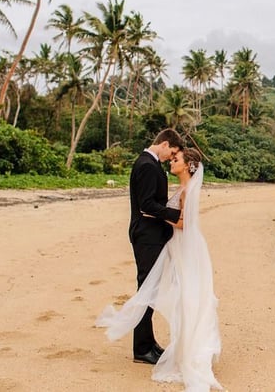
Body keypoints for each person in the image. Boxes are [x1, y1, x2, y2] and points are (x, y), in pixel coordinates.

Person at [97, 148, 222, 391]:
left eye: (176, 159)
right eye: (172, 157)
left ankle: (186, 348)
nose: (172, 161)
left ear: (187, 166)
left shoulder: (187, 191)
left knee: (185, 295)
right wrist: (159, 214)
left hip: (184, 247)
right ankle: (161, 345)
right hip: (176, 245)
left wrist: (159, 216)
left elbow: (187, 223)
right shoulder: (183, 188)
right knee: (177, 294)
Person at [126, 128, 184, 364]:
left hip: (152, 235)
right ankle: (141, 349)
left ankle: (148, 343)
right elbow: (147, 205)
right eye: (172, 152)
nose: (171, 157)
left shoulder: (151, 164)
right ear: (164, 143)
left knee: (150, 290)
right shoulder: (148, 166)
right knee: (146, 290)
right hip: (146, 236)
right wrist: (177, 215)